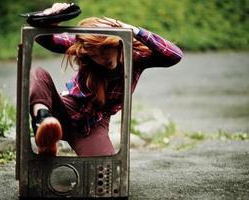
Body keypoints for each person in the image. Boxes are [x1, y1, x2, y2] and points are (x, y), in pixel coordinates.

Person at [29, 3, 183, 157]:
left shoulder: (134, 57)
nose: (102, 58)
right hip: (66, 109)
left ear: (117, 43)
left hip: (93, 124)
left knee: (102, 170)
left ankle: (49, 140)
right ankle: (43, 122)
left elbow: (174, 55)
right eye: (95, 55)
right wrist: (50, 19)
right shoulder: (85, 49)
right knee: (37, 74)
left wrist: (133, 31)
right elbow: (46, 39)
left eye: (105, 49)